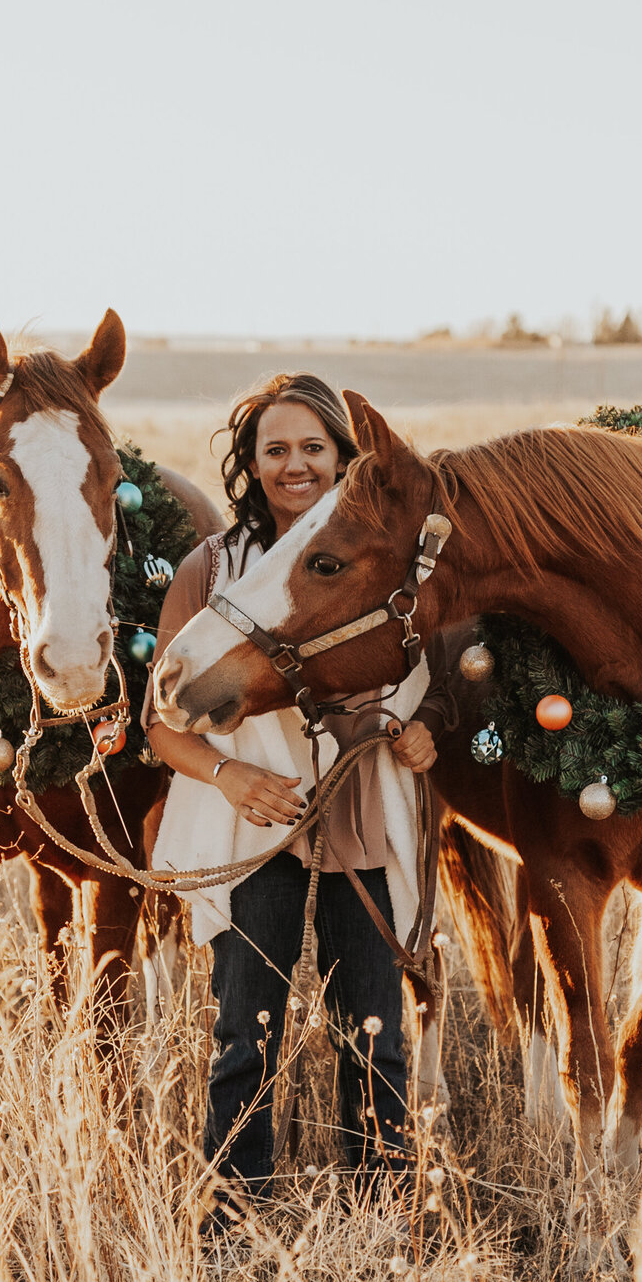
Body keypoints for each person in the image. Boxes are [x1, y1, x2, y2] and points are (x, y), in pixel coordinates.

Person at [145, 374, 456, 1209]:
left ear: (344, 457)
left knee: (375, 1036)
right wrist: (232, 774)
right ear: (250, 463)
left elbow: (429, 670)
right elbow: (164, 720)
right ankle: (233, 1216)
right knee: (244, 1035)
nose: (295, 465)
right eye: (275, 449)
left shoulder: (388, 555)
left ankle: (384, 1214)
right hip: (257, 827)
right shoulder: (212, 569)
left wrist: (426, 728)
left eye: (313, 447)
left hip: (365, 813)